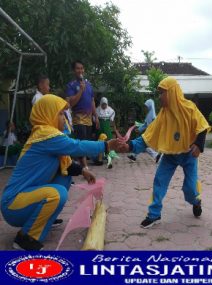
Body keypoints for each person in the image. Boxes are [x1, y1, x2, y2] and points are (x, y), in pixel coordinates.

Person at [0, 95, 122, 250]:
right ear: (47, 114)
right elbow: (76, 146)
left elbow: (66, 165)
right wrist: (105, 146)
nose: (64, 118)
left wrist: (83, 171)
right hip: (13, 205)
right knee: (56, 194)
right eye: (59, 114)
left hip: (25, 199)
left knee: (64, 178)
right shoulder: (45, 135)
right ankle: (25, 239)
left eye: (64, 114)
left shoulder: (45, 135)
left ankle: (45, 219)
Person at [122, 77, 210, 228]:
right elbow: (147, 137)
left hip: (188, 155)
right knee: (159, 181)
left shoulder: (190, 108)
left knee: (190, 189)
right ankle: (154, 214)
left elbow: (202, 126)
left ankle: (196, 201)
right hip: (170, 155)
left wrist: (199, 145)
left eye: (162, 93)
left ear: (172, 93)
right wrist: (130, 146)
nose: (159, 97)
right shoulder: (163, 115)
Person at [66, 60, 99, 169]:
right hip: (78, 118)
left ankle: (79, 162)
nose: (80, 70)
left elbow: (92, 101)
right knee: (81, 141)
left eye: (81, 68)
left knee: (87, 141)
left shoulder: (88, 84)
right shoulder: (71, 85)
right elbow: (71, 103)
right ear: (73, 70)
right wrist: (80, 90)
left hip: (89, 118)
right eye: (77, 68)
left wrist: (96, 117)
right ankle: (84, 166)